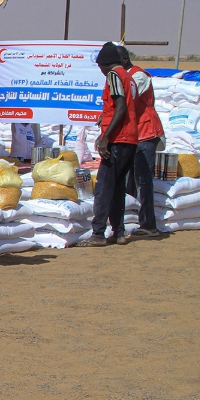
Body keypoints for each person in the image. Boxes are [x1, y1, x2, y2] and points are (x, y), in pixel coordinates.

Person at [79, 42, 140, 247]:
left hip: (117, 139)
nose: (101, 72)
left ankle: (98, 233)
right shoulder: (128, 77)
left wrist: (105, 137)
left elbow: (120, 107)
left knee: (104, 187)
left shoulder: (114, 75)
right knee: (117, 188)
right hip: (130, 138)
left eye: (100, 67)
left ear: (105, 64)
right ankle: (119, 232)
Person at [121, 47, 165, 239]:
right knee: (128, 178)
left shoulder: (138, 77)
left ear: (124, 59)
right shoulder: (125, 77)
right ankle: (130, 220)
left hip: (146, 132)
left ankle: (149, 224)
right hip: (133, 134)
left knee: (142, 180)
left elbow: (126, 100)